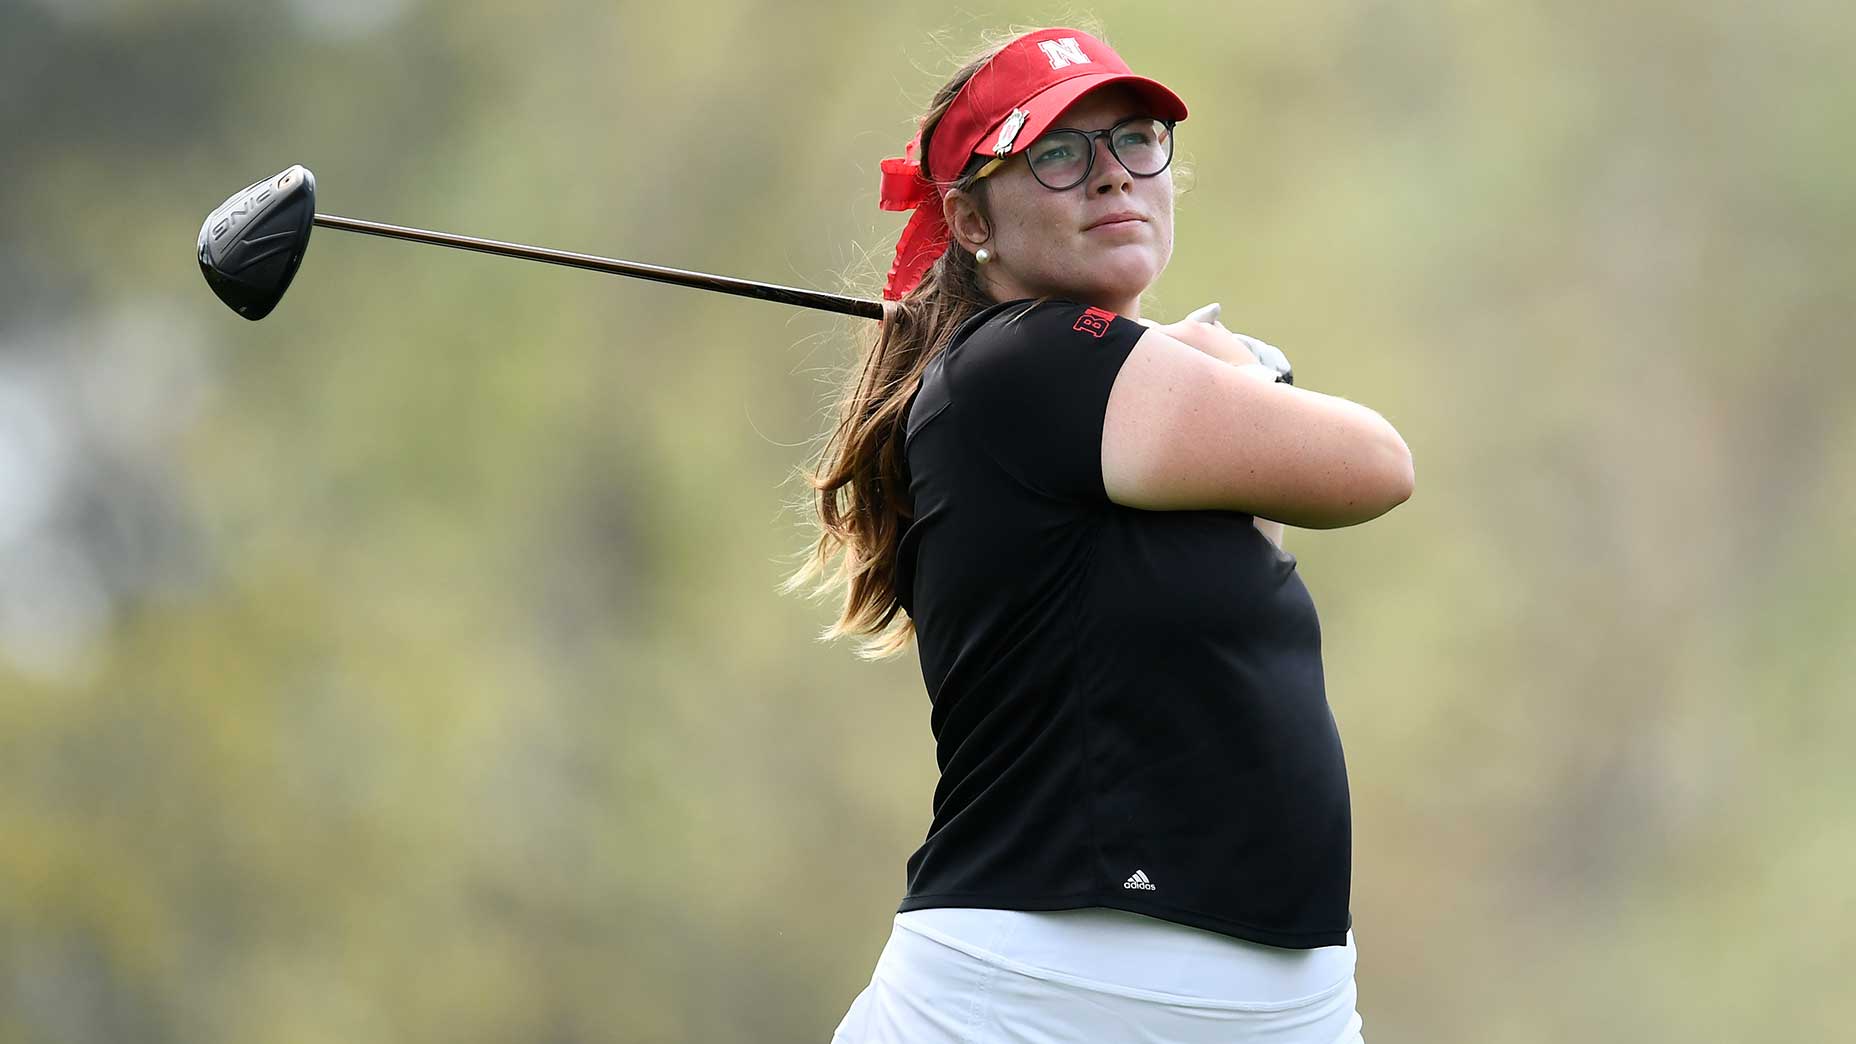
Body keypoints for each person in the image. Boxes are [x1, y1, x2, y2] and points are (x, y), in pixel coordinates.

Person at [789, 25, 1414, 1044]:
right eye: (1057, 154)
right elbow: (1376, 465)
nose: (1111, 178)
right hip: (1036, 999)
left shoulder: (1055, 378)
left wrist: (1201, 364)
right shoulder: (1033, 359)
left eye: (1133, 142)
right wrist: (1236, 363)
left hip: (1257, 1002)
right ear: (967, 217)